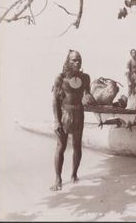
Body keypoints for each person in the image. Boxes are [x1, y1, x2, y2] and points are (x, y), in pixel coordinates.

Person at [50, 50, 93, 191]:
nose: (77, 62)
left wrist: (89, 97)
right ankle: (58, 179)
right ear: (68, 61)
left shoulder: (85, 77)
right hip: (64, 114)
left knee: (77, 146)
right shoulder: (60, 78)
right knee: (60, 147)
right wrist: (56, 120)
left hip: (79, 113)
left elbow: (87, 94)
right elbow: (55, 100)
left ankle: (74, 175)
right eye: (74, 60)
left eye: (79, 60)